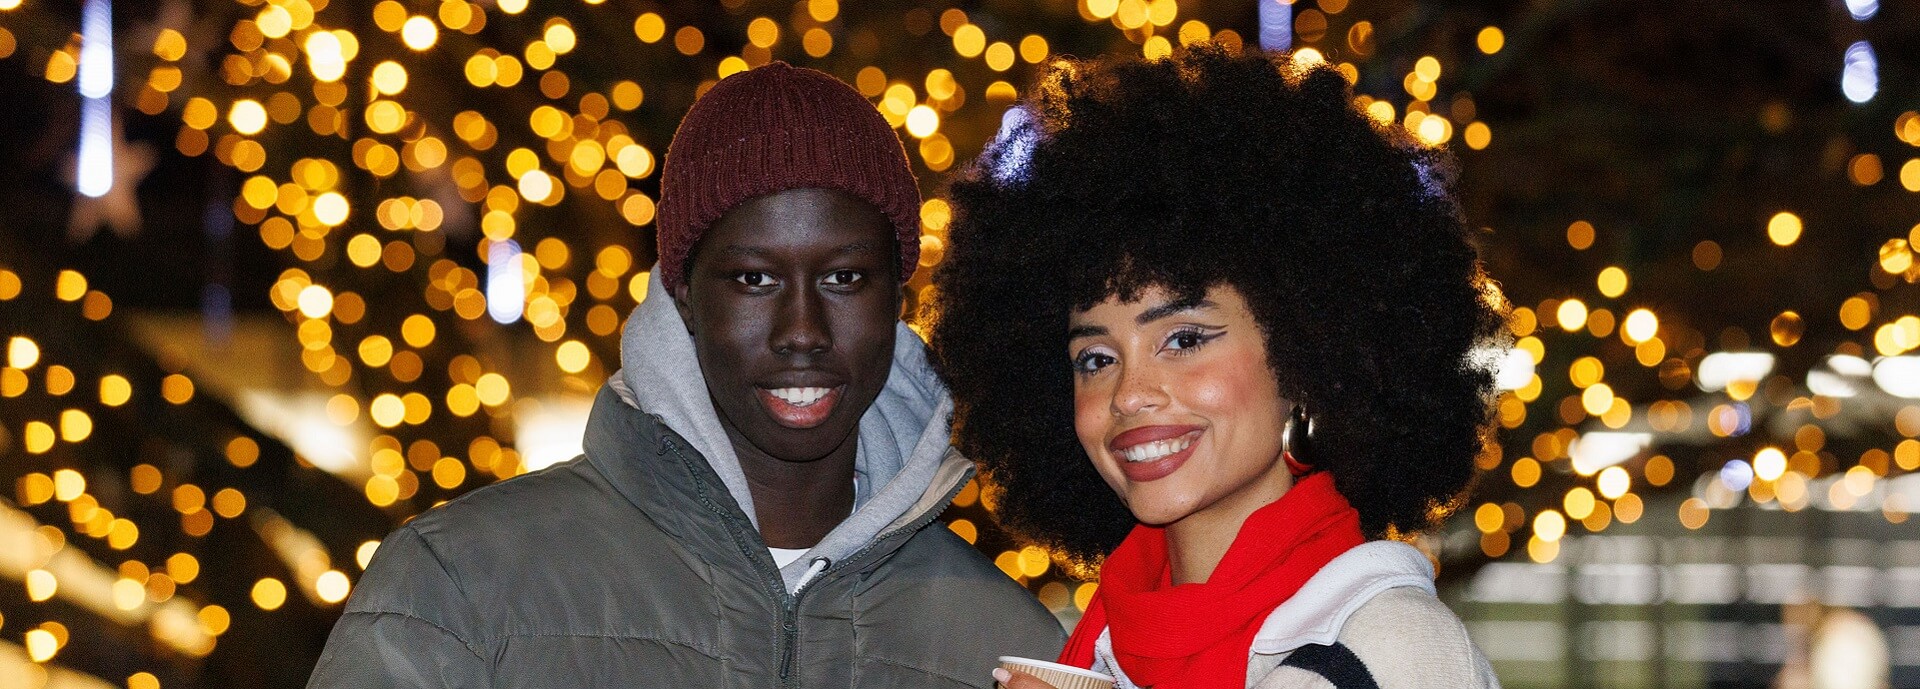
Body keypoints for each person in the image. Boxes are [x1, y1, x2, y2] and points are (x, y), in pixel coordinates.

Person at [309, 62, 1063, 688]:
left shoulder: (1004, 648)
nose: (802, 331)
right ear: (682, 298)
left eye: (844, 278)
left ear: (897, 299)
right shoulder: (460, 584)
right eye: (753, 280)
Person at [928, 45, 1505, 689]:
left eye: (1183, 340)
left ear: (1304, 357)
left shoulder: (1392, 649)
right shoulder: (1100, 654)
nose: (1130, 394)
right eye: (1095, 358)